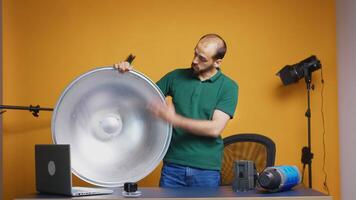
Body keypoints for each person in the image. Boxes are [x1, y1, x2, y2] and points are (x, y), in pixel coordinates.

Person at [114, 34, 238, 187]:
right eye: (195, 53)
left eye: (202, 59)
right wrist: (126, 76)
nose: (194, 61)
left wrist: (173, 119)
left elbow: (215, 128)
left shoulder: (228, 87)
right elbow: (142, 99)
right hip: (172, 167)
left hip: (206, 171)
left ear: (217, 62)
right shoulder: (175, 77)